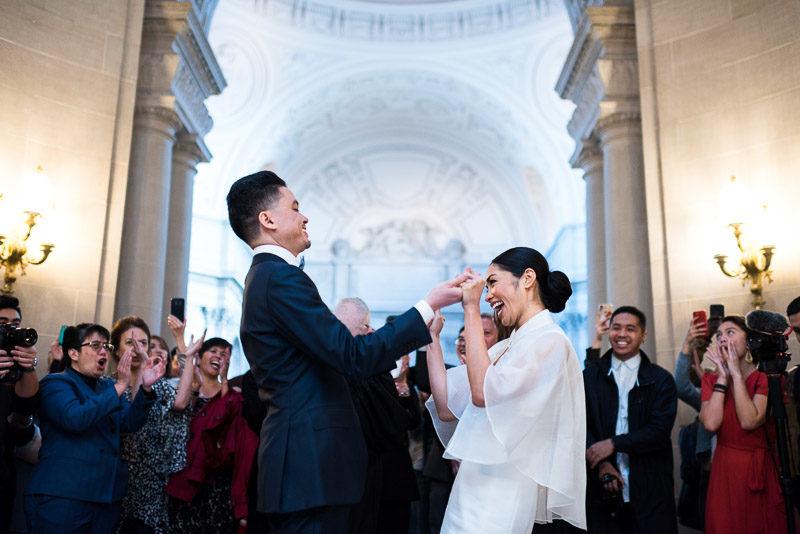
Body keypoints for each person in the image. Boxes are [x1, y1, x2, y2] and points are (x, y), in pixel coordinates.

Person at [227, 170, 465, 533]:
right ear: (268, 220)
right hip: (309, 467)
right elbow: (351, 355)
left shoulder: (267, 277)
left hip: (310, 469)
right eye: (295, 208)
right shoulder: (279, 277)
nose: (305, 216)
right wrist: (428, 305)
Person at [426, 247, 586, 533]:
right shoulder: (509, 344)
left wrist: (471, 308)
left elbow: (483, 394)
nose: (487, 295)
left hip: (502, 491)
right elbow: (446, 407)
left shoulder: (550, 341)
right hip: (472, 483)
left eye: (492, 282)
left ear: (527, 278)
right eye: (485, 287)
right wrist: (432, 337)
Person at [25, 323, 162, 533]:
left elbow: (129, 422)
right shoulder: (55, 383)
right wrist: (120, 386)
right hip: (63, 496)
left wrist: (146, 388)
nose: (103, 352)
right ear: (73, 353)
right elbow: (75, 419)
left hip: (105, 499)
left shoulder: (106, 387)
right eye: (95, 345)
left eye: (106, 346)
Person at [582, 306, 677, 534]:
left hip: (649, 486)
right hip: (601, 489)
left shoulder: (660, 379)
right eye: (616, 328)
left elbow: (658, 431)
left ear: (643, 336)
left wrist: (613, 444)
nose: (622, 334)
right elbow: (579, 424)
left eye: (630, 329)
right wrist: (602, 461)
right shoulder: (591, 377)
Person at [699, 315, 787, 533]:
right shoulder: (710, 380)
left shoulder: (767, 377)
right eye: (718, 335)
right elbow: (711, 423)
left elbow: (749, 421)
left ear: (748, 341)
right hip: (724, 472)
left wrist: (736, 375)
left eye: (730, 332)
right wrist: (723, 377)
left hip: (758, 470)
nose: (723, 339)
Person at [114, 316, 199, 534]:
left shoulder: (157, 386)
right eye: (129, 342)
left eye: (142, 343)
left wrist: (187, 357)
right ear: (115, 350)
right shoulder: (107, 385)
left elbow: (181, 402)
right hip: (113, 476)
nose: (136, 348)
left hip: (149, 481)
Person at [166, 337, 258, 534]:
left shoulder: (233, 397)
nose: (218, 356)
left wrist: (224, 381)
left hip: (217, 486)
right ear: (199, 357)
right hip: (185, 479)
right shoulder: (184, 392)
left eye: (224, 355)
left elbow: (227, 419)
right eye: (213, 351)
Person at [0, 295, 38, 534]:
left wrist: (29, 367)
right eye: (3, 323)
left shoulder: (17, 363)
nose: (10, 328)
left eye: (15, 323)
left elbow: (26, 408)